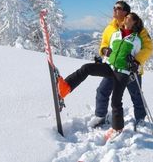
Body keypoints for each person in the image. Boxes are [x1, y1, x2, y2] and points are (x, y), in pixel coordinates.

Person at [58, 12, 146, 140]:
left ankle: (117, 128)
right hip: (110, 67)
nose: (125, 18)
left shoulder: (136, 40)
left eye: (128, 18)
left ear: (134, 23)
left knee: (116, 100)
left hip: (123, 72)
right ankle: (65, 87)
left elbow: (138, 58)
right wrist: (103, 56)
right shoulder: (115, 35)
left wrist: (135, 64)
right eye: (125, 17)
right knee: (87, 68)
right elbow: (110, 51)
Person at [89, 0, 153, 129]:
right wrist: (103, 51)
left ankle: (140, 119)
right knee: (102, 90)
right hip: (112, 68)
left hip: (131, 69)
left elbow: (148, 47)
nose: (114, 10)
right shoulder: (110, 28)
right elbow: (104, 44)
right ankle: (101, 116)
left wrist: (136, 61)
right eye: (114, 7)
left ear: (126, 12)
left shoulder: (139, 30)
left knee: (136, 94)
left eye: (118, 8)